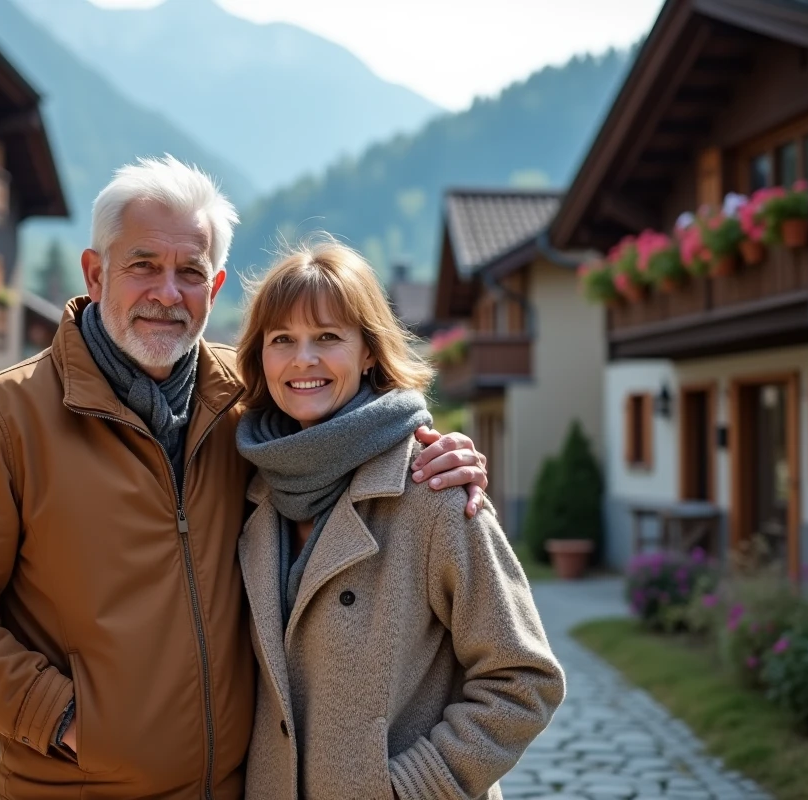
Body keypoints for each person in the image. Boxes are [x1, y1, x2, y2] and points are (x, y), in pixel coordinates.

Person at [0, 156, 490, 800]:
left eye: (190, 273)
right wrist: (61, 718)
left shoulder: (255, 404)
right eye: (143, 265)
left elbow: (346, 428)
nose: (167, 293)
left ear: (216, 285)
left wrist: (432, 450)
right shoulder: (7, 418)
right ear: (96, 273)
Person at [234, 236, 565, 800]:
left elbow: (524, 678)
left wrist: (410, 788)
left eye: (328, 337)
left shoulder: (433, 486)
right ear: (260, 357)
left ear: (368, 351)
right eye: (282, 339)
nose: (303, 359)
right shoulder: (249, 485)